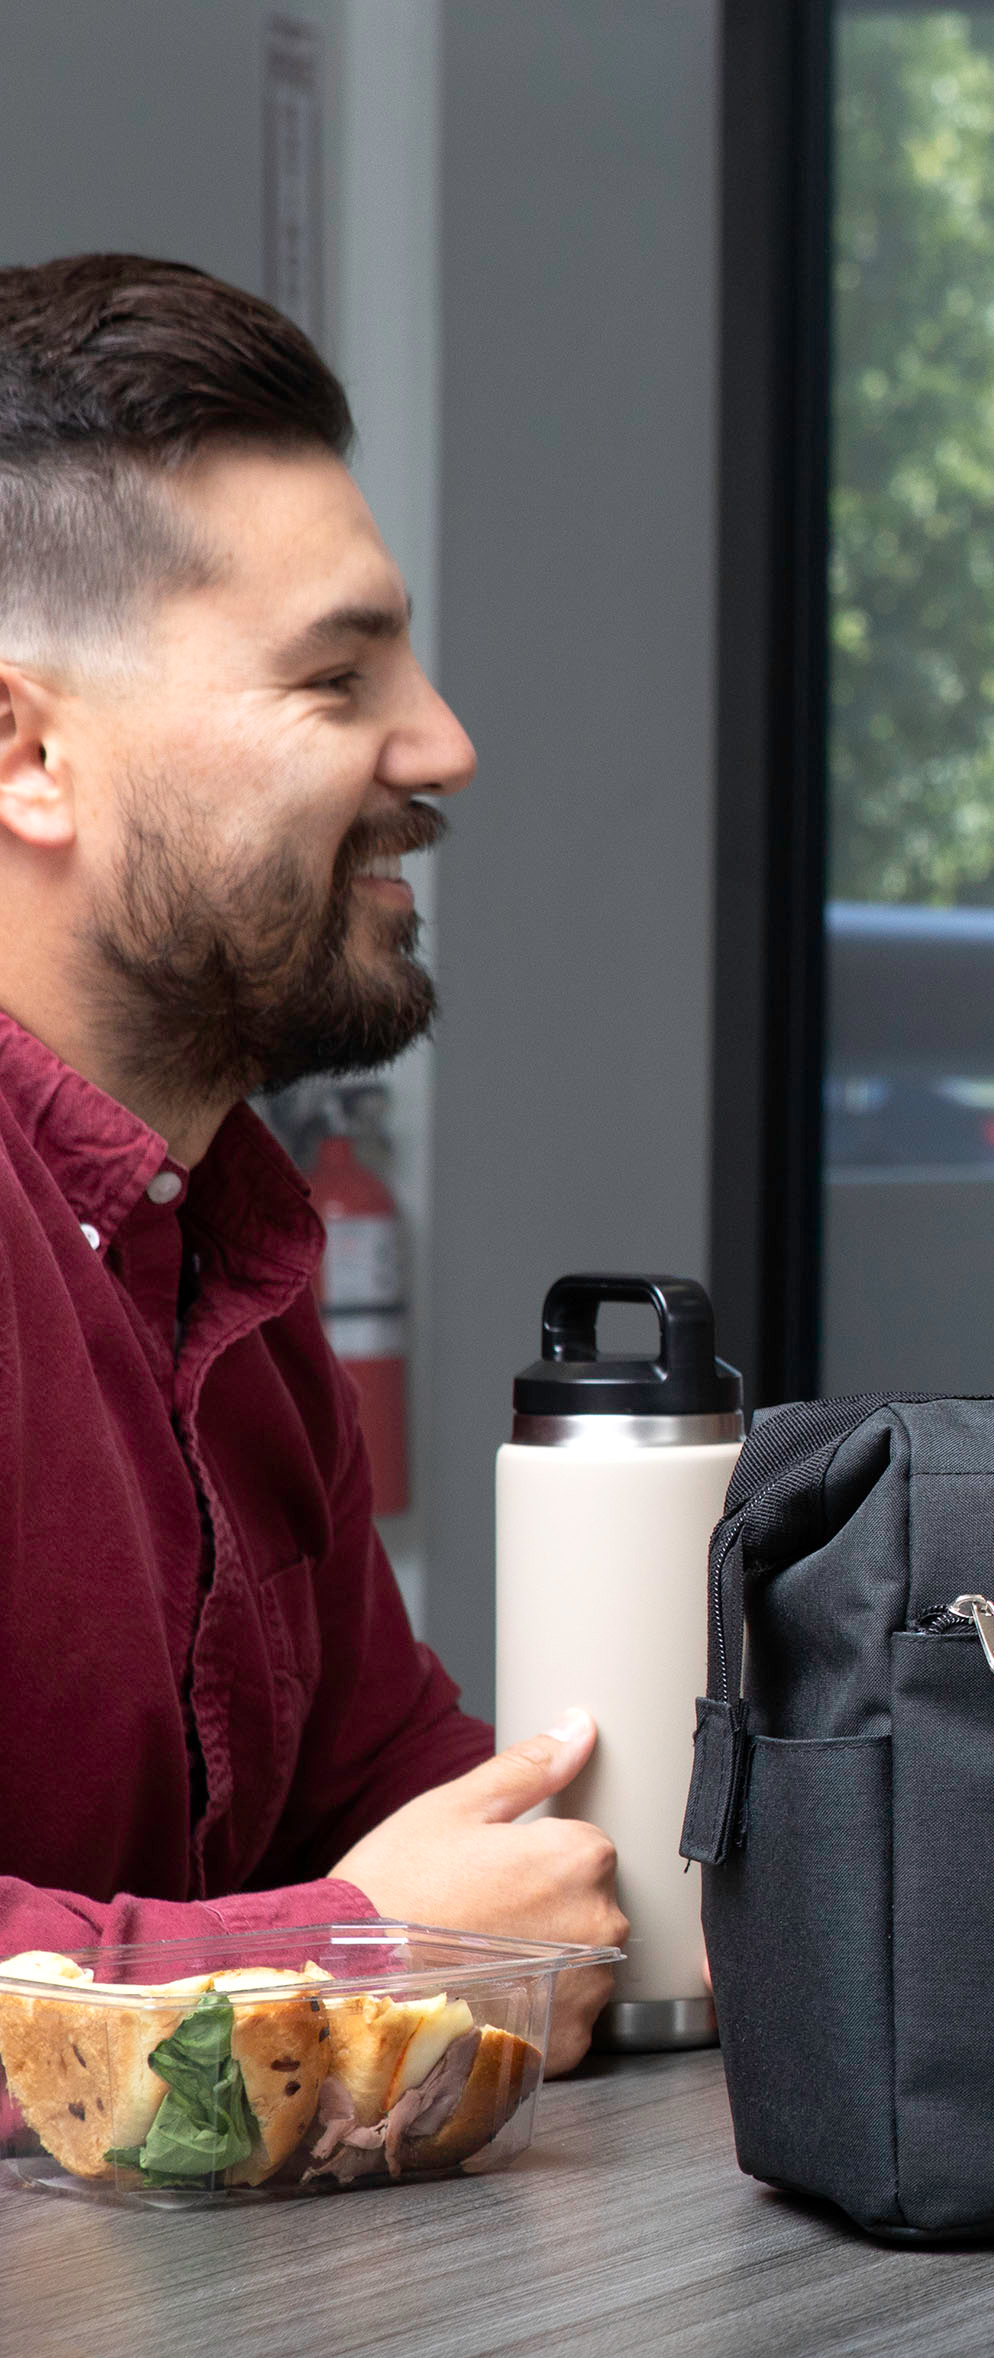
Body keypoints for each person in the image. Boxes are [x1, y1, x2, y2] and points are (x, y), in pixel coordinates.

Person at [0, 256, 623, 2066]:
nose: (443, 746)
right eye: (338, 677)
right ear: (27, 753)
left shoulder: (225, 1239)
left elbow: (416, 1808)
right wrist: (362, 1953)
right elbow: (403, 1910)